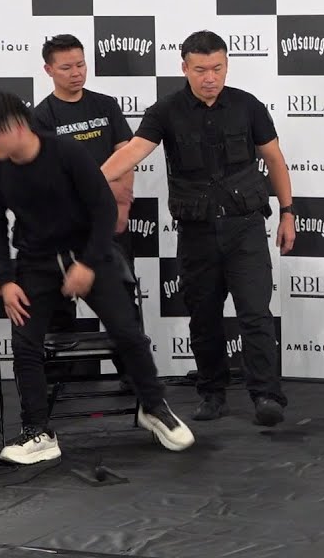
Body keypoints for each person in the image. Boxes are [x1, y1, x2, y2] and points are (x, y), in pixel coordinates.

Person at [0, 91, 193, 465]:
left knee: (127, 332)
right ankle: (38, 431)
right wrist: (6, 281)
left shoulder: (66, 152)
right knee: (25, 344)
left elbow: (104, 207)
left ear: (18, 125)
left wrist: (87, 264)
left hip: (90, 253)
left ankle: (154, 407)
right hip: (35, 262)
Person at [100, 30, 294, 427]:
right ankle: (212, 393)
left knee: (255, 314)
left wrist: (288, 212)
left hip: (245, 228)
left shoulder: (248, 106)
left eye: (218, 68)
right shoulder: (165, 110)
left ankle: (266, 396)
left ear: (227, 65)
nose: (210, 77)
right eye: (201, 69)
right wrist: (89, 180)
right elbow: (134, 151)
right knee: (203, 316)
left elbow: (275, 159)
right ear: (185, 68)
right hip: (196, 231)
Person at [31, 33, 137, 380]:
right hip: (66, 229)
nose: (76, 73)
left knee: (123, 304)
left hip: (111, 223)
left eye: (80, 64)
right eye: (66, 67)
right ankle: (59, 384)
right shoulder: (41, 117)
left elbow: (127, 156)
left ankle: (136, 381)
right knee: (59, 309)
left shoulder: (106, 105)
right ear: (48, 70)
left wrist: (121, 204)